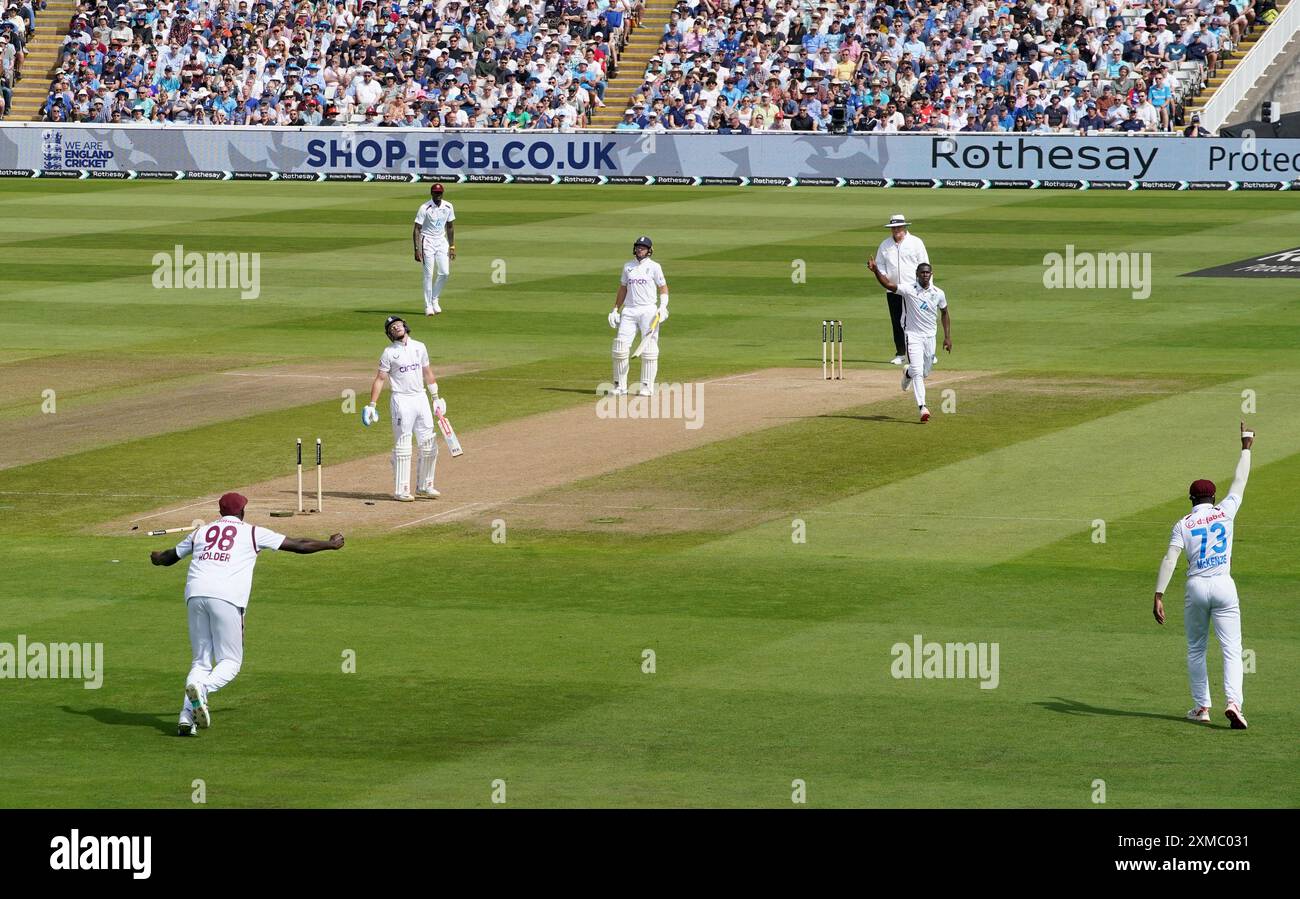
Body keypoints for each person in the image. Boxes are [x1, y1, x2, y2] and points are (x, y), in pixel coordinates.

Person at [150, 492, 344, 736]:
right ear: (242, 512)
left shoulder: (201, 532)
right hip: (227, 597)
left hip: (195, 595)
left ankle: (186, 718)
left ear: (220, 512)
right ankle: (203, 687)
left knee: (200, 660)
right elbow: (298, 545)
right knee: (230, 662)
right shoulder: (252, 532)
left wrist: (156, 558)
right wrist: (330, 544)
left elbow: (168, 558)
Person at [1153, 423, 1254, 729]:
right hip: (1224, 584)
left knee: (1197, 648)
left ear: (1191, 499)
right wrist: (1246, 446)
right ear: (1213, 497)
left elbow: (1170, 558)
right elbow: (1240, 481)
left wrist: (1158, 594)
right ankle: (1234, 703)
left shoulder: (1183, 523)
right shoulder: (1226, 511)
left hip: (1196, 586)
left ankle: (1202, 707)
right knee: (1232, 649)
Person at [364, 316, 448, 501]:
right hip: (401, 400)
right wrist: (372, 405)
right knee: (403, 446)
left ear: (405, 326)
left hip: (421, 397)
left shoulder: (420, 346)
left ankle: (425, 486)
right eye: (392, 327)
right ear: (389, 333)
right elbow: (380, 379)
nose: (396, 328)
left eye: (398, 325)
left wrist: (436, 397)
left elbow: (428, 372)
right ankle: (402, 490)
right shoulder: (388, 353)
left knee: (429, 444)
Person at [866, 259, 951, 423]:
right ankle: (923, 408)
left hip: (930, 337)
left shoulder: (938, 292)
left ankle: (907, 373)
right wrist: (876, 270)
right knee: (918, 372)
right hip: (912, 335)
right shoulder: (909, 289)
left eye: (927, 272)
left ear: (931, 274)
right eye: (922, 272)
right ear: (917, 275)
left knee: (924, 372)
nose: (925, 275)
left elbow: (945, 313)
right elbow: (889, 286)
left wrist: (947, 337)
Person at [607, 236, 669, 397]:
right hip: (629, 310)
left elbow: (663, 288)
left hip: (648, 310)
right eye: (638, 247)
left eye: (643, 247)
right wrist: (615, 309)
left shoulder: (655, 267)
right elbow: (623, 288)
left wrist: (662, 307)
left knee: (649, 348)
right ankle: (620, 386)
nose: (640, 249)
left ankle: (646, 387)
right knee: (620, 347)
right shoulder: (628, 267)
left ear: (649, 250)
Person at [873, 214, 930, 366]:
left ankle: (927, 353)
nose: (896, 230)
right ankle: (900, 353)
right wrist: (885, 279)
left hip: (914, 289)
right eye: (893, 228)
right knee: (897, 321)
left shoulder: (916, 243)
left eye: (898, 227)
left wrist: (926, 288)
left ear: (905, 227)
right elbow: (880, 265)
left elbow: (925, 265)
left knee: (918, 321)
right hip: (893, 289)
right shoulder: (885, 245)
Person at [412, 182, 455, 316]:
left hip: (442, 241)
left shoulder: (448, 206)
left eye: (440, 193)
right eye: (436, 193)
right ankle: (428, 306)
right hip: (427, 241)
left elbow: (450, 226)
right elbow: (417, 229)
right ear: (431, 193)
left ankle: (434, 298)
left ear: (442, 193)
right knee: (428, 275)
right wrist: (416, 249)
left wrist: (452, 246)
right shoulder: (424, 208)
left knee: (444, 273)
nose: (438, 195)